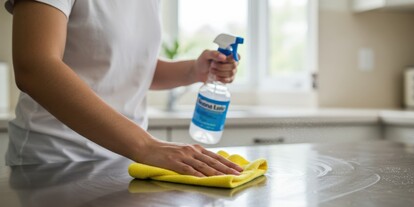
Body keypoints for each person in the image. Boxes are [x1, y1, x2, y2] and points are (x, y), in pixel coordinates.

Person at [4, 0, 243, 177]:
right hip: (57, 163)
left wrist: (193, 71)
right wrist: (146, 145)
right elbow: (35, 66)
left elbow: (127, 67)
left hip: (126, 165)